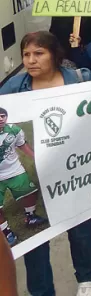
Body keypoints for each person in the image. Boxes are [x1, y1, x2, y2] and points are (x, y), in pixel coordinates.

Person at [0, 31, 91, 296]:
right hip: (36, 177)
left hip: (75, 174)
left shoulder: (79, 79)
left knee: (79, 229)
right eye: (26, 54)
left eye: (39, 53)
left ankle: (86, 278)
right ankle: (41, 290)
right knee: (35, 236)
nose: (31, 60)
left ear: (54, 55)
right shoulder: (14, 88)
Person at [0, 106, 46, 247]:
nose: (0, 119)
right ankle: (6, 232)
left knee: (30, 192)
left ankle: (30, 216)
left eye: (3, 116)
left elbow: (23, 146)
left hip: (14, 170)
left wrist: (38, 159)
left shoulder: (14, 130)